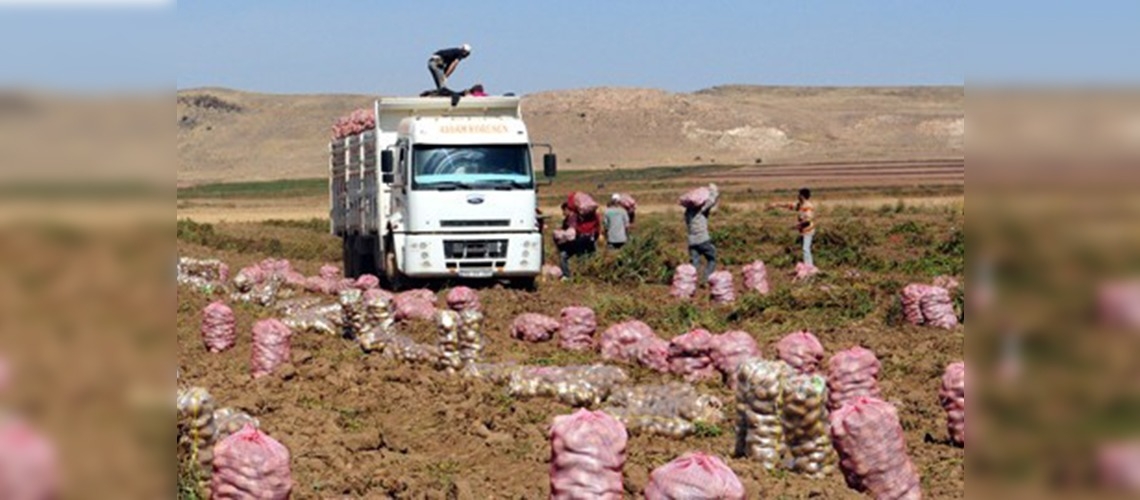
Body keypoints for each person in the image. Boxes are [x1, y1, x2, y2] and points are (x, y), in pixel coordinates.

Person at [768, 187, 816, 267]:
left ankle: (809, 266)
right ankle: (808, 265)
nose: (797, 196)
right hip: (804, 231)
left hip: (808, 230)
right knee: (805, 248)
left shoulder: (808, 206)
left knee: (806, 249)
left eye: (799, 195)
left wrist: (796, 226)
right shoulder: (801, 205)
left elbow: (808, 220)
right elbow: (789, 205)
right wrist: (776, 205)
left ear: (802, 196)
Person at [685, 183, 720, 284]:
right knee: (712, 259)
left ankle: (692, 283)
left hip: (691, 241)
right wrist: (714, 191)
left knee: (695, 263)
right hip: (703, 240)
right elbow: (711, 202)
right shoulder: (700, 211)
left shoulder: (687, 213)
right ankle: (705, 279)